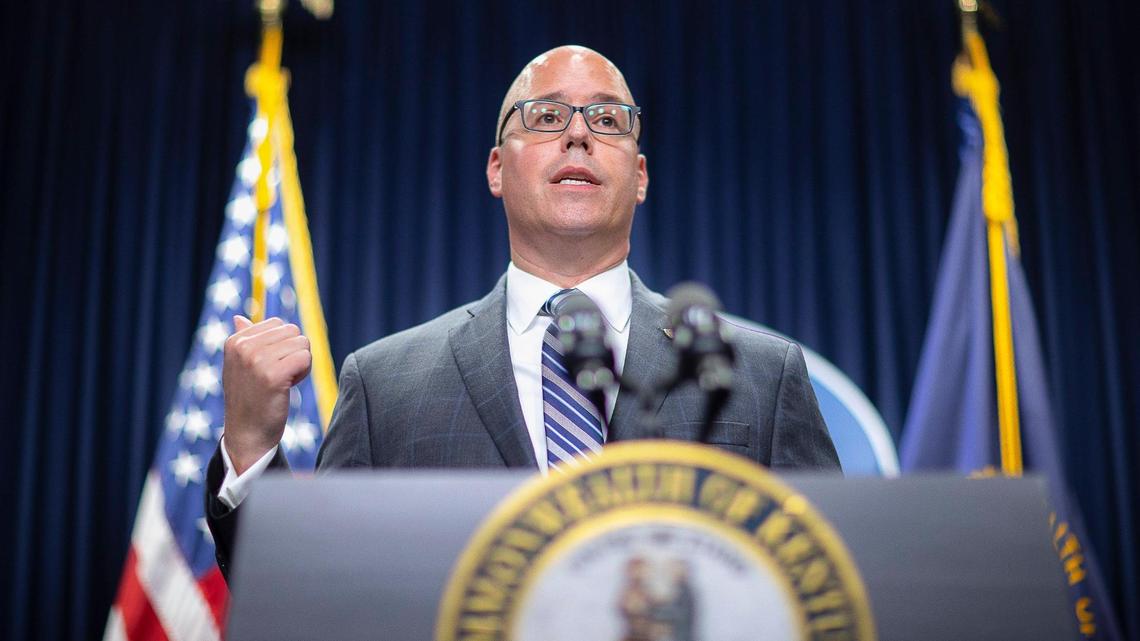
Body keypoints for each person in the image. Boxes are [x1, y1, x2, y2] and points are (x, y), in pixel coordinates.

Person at [205, 45, 840, 578]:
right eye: (545, 116)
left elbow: (831, 580)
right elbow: (318, 598)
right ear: (497, 169)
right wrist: (251, 448)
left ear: (640, 176)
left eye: (609, 119)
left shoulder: (762, 374)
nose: (578, 133)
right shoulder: (384, 385)